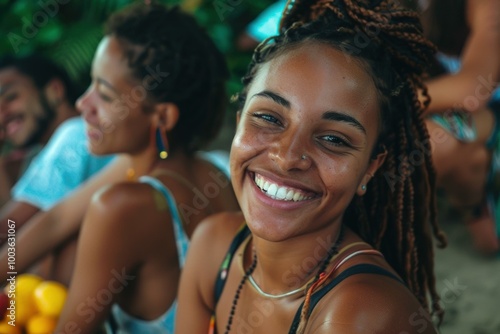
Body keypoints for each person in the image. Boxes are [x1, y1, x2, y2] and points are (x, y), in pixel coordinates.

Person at [176, 0, 447, 333]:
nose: (287, 157)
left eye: (334, 139)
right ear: (238, 121)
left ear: (369, 169)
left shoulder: (359, 313)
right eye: (268, 118)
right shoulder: (212, 245)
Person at [54, 3, 239, 333]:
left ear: (163, 117)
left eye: (106, 96)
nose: (83, 104)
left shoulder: (121, 206)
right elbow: (54, 220)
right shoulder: (215, 176)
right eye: (91, 84)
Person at [419, 0, 500, 255]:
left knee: (428, 141)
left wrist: (383, 102)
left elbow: (470, 91)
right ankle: (473, 189)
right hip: (469, 119)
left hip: (483, 113)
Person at [0, 55, 80, 205]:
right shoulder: (35, 159)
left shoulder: (79, 135)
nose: (1, 116)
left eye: (10, 97)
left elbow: (14, 224)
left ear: (55, 91)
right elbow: (13, 224)